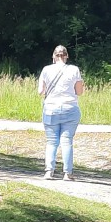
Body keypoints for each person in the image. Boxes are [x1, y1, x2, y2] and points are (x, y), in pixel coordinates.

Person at [37, 45, 85, 180]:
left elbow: (40, 91)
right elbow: (79, 92)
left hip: (51, 109)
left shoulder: (46, 70)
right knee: (66, 141)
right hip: (70, 108)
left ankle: (49, 171)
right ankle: (67, 173)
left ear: (53, 56)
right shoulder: (74, 70)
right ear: (66, 56)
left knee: (51, 141)